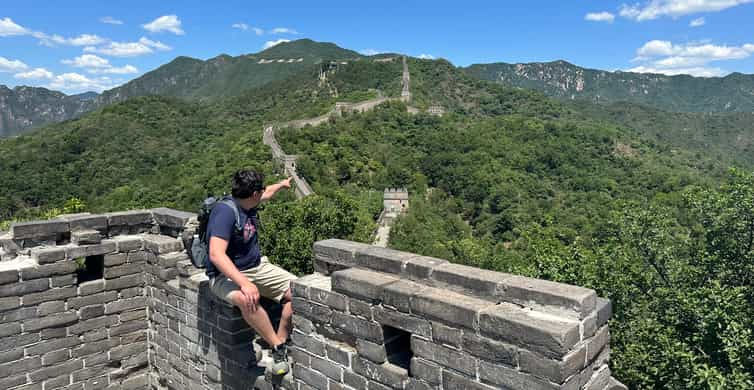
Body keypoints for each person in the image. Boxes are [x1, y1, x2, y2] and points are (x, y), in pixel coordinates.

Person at [206, 169, 296, 375]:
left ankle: (279, 340)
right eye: (260, 190)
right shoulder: (225, 212)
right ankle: (278, 348)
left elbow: (269, 192)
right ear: (253, 194)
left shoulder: (249, 199)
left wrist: (283, 184)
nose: (263, 193)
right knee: (247, 299)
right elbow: (216, 254)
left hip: (257, 267)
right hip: (224, 274)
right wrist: (245, 283)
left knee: (300, 292)